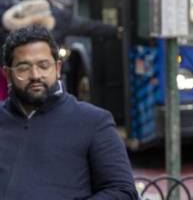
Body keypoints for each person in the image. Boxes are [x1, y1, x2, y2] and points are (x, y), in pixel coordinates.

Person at [0, 24, 137, 199]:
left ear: (57, 68)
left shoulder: (93, 121)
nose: (35, 75)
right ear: (8, 74)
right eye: (24, 68)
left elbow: (122, 191)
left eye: (43, 65)